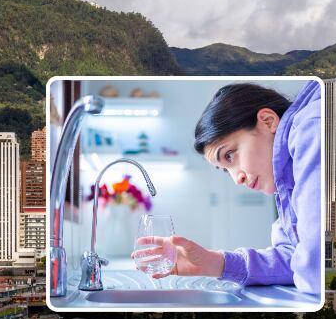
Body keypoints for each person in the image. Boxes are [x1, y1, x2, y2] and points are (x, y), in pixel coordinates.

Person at [132, 80, 321, 294]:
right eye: (225, 169)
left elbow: (314, 267)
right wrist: (211, 263)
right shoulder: (288, 180)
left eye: (229, 155)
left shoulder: (311, 128)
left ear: (268, 121)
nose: (236, 179)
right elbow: (294, 257)